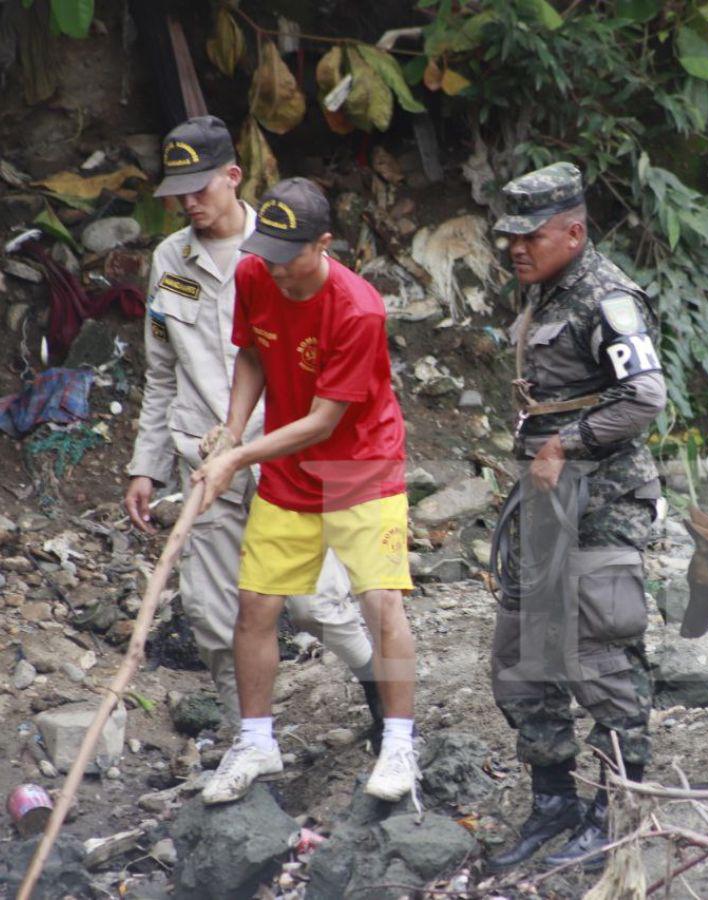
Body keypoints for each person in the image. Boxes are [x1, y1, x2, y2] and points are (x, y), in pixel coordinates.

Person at [124, 116, 383, 742]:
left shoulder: (284, 250)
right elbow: (162, 372)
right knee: (214, 618)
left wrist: (249, 445)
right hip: (203, 455)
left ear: (233, 177)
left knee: (316, 606)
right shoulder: (169, 260)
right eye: (178, 192)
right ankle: (250, 741)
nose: (189, 203)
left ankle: (382, 691)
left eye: (201, 188)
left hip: (285, 458)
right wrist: (146, 463)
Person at [190, 176, 420, 805]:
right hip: (287, 468)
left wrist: (237, 458)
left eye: (289, 256)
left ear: (323, 244)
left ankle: (399, 741)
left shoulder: (359, 308)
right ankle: (257, 740)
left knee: (380, 603)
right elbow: (253, 355)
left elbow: (323, 422)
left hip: (360, 466)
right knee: (256, 605)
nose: (276, 269)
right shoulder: (256, 274)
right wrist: (230, 429)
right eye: (267, 251)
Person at [488, 161, 666, 871]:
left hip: (604, 498)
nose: (516, 249)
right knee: (520, 650)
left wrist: (566, 441)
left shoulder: (608, 298)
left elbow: (645, 395)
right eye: (509, 237)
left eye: (530, 236)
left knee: (600, 654)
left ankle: (616, 808)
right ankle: (554, 799)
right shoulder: (543, 288)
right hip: (546, 494)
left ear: (574, 230)